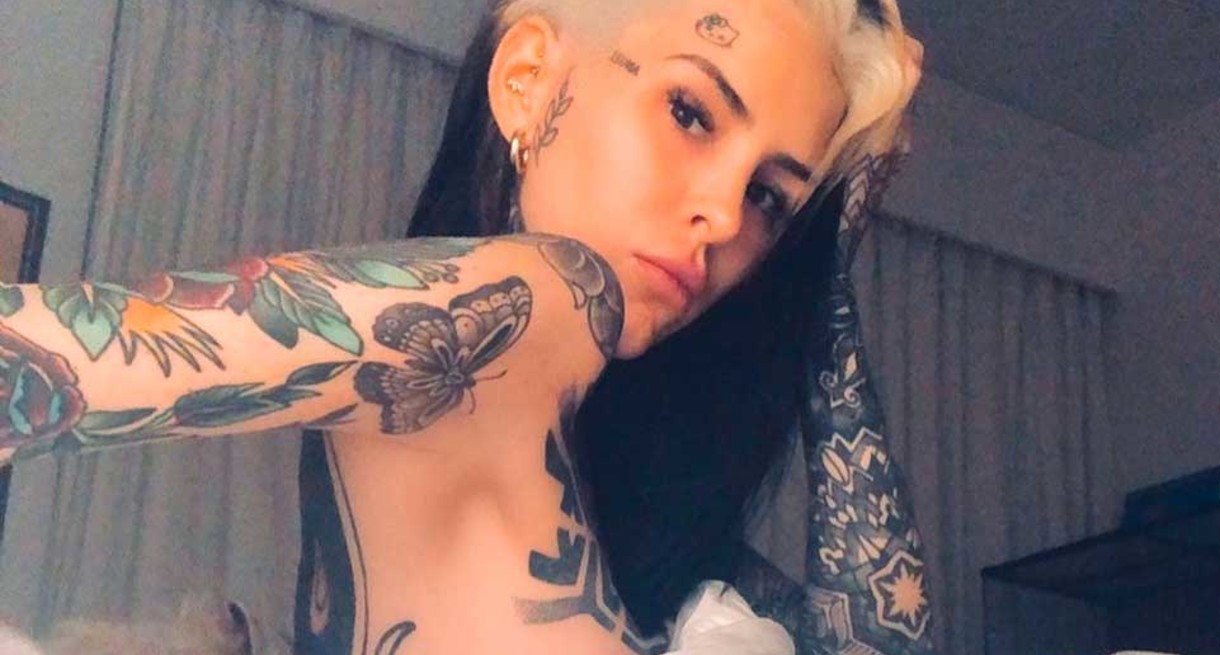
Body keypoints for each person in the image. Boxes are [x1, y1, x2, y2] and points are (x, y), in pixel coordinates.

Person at [0, 0, 924, 652]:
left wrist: (818, 268)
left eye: (769, 197)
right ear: (527, 80)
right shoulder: (543, 293)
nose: (723, 216)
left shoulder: (560, 446)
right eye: (690, 112)